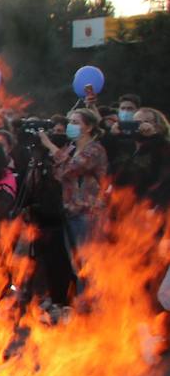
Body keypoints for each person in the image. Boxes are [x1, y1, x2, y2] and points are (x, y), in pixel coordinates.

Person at [40, 107, 108, 272]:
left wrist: (49, 145)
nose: (71, 126)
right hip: (70, 211)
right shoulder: (70, 149)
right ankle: (81, 296)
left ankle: (91, 297)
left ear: (89, 127)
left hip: (88, 213)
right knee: (76, 265)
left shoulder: (94, 149)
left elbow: (72, 168)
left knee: (89, 263)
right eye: (70, 122)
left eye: (75, 122)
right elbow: (59, 174)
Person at [115, 107, 170, 208]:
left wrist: (154, 136)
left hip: (148, 204)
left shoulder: (162, 146)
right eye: (137, 122)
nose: (141, 126)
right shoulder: (125, 145)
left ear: (158, 126)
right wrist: (113, 134)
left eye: (146, 122)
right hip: (121, 202)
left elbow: (164, 180)